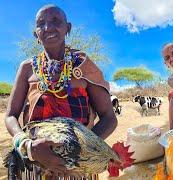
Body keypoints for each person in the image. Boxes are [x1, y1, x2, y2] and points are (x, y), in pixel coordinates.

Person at [4, 4, 117, 179]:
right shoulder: (27, 68)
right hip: (36, 161)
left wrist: (79, 150)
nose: (48, 27)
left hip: (79, 167)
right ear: (36, 35)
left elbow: (109, 117)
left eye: (55, 21)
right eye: (41, 24)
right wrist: (27, 145)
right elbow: (11, 115)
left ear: (68, 28)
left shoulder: (83, 64)